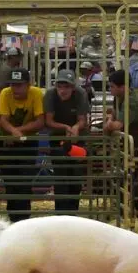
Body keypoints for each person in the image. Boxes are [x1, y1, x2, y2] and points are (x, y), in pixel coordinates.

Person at [103, 70, 138, 216]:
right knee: (128, 176)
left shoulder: (132, 101)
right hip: (130, 143)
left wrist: (109, 124)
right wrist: (109, 122)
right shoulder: (119, 98)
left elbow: (117, 125)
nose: (110, 89)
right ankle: (127, 209)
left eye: (112, 86)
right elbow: (112, 116)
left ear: (123, 87)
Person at [0, 68, 45, 222]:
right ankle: (12, 217)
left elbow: (40, 121)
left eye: (19, 85)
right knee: (9, 181)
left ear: (28, 85)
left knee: (25, 181)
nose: (15, 88)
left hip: (27, 142)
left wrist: (17, 131)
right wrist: (14, 132)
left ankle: (23, 218)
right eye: (13, 85)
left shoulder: (36, 93)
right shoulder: (5, 93)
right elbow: (2, 119)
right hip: (8, 142)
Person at [44, 69, 90, 213]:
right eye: (60, 86)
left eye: (67, 87)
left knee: (76, 176)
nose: (63, 90)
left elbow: (83, 120)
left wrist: (76, 127)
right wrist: (66, 127)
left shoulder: (81, 94)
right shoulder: (50, 95)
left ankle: (73, 211)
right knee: (60, 176)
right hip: (58, 139)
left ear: (73, 87)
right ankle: (61, 213)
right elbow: (48, 121)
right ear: (56, 86)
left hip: (78, 140)